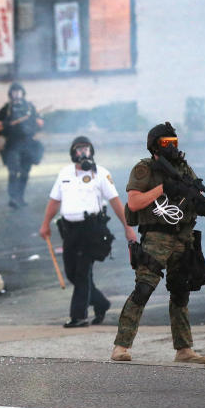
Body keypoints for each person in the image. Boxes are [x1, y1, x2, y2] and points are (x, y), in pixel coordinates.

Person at [110, 122, 205, 364]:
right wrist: (163, 188)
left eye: (174, 143)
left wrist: (198, 200)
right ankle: (121, 346)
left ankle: (184, 349)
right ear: (155, 145)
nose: (172, 148)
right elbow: (134, 203)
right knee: (144, 288)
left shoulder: (183, 167)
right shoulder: (144, 169)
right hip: (157, 236)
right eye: (167, 143)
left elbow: (198, 194)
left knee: (180, 291)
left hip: (183, 237)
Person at [40, 136, 138, 328]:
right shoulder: (64, 173)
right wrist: (45, 224)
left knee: (83, 273)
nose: (83, 152)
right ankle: (101, 303)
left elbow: (115, 202)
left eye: (86, 148)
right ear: (72, 153)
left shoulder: (101, 174)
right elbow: (54, 201)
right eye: (79, 149)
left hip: (92, 230)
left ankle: (79, 316)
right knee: (72, 273)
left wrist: (128, 228)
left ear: (92, 151)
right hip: (69, 230)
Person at [0, 82, 44, 209]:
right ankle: (13, 198)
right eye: (14, 92)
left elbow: (40, 123)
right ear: (10, 94)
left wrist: (34, 122)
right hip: (12, 145)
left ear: (22, 93)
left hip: (28, 144)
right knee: (13, 172)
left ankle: (20, 196)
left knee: (25, 173)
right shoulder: (7, 109)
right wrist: (7, 124)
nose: (16, 94)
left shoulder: (30, 107)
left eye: (18, 91)